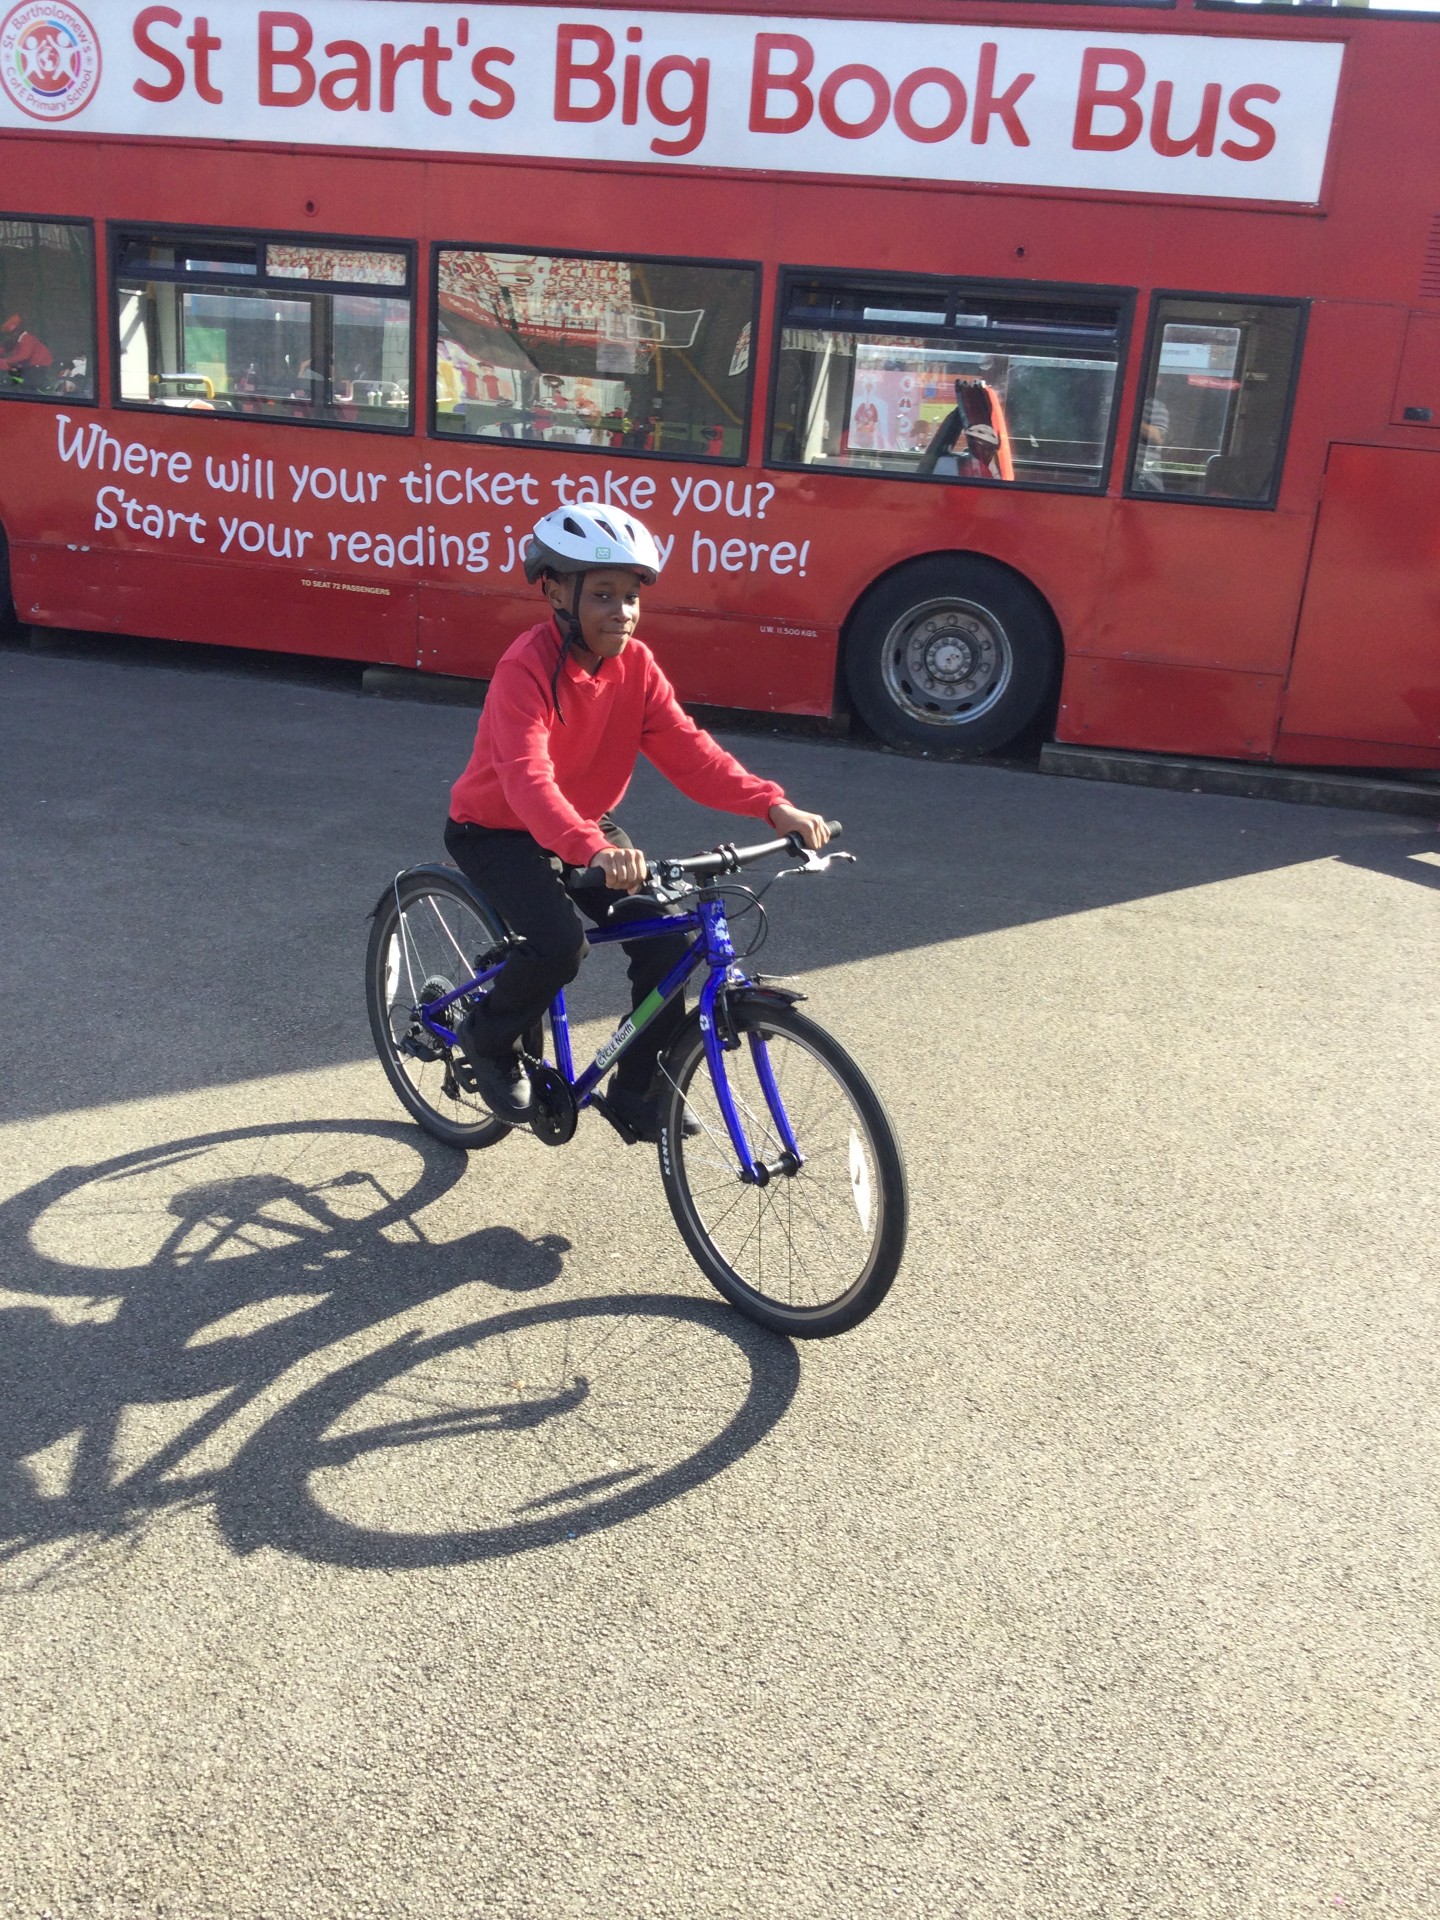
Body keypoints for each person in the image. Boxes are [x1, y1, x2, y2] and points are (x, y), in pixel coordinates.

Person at [444, 505, 830, 1137]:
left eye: (630, 596)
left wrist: (772, 805)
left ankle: (637, 1091)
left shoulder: (637, 667)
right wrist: (591, 849)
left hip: (585, 827)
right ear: (555, 593)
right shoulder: (525, 667)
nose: (621, 611)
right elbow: (527, 778)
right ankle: (486, 1040)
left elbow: (691, 752)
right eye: (602, 594)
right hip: (498, 829)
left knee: (668, 939)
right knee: (558, 945)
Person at [0, 313, 53, 390]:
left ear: (18, 330)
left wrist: (6, 361)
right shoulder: (18, 341)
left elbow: (24, 356)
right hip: (28, 369)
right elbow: (6, 348)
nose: (10, 336)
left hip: (36, 369)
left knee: (24, 384)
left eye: (11, 333)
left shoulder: (27, 339)